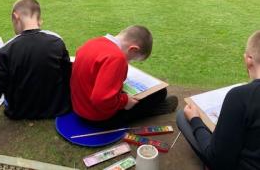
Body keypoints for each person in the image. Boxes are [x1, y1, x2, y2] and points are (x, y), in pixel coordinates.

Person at [0, 0, 72, 120]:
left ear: (16, 17)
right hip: (57, 108)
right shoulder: (57, 40)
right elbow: (68, 74)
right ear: (39, 20)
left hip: (19, 112)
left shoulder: (6, 49)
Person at [177, 31, 260, 170]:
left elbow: (217, 159)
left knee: (182, 116)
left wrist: (195, 120)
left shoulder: (240, 96)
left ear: (248, 60)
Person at [70, 25, 178, 127]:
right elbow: (101, 100)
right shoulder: (116, 58)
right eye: (131, 59)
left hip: (78, 107)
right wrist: (125, 101)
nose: (129, 62)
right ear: (133, 49)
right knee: (160, 93)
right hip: (97, 117)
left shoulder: (93, 42)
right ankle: (154, 110)